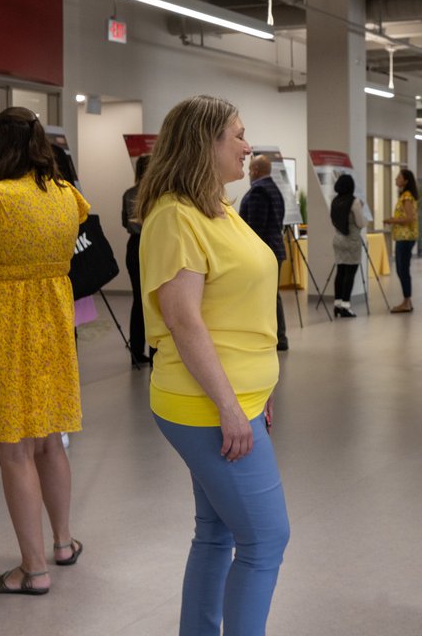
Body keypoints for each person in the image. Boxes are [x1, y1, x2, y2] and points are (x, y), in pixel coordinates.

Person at [137, 94, 289, 636]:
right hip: (205, 403)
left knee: (217, 532)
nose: (249, 146)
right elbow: (185, 322)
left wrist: (257, 389)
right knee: (266, 539)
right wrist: (229, 404)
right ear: (205, 143)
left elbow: (235, 312)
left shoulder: (218, 207)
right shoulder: (175, 217)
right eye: (238, 135)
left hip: (235, 396)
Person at [0, 107, 90, 596]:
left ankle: (32, 569)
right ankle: (63, 543)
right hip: (51, 323)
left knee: (14, 450)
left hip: (5, 325)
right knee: (49, 439)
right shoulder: (68, 197)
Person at [239, 154, 288, 350]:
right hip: (275, 248)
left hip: (264, 252)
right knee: (271, 295)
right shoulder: (274, 189)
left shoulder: (259, 191)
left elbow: (255, 229)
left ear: (256, 171)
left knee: (266, 296)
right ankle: (278, 336)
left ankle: (276, 337)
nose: (249, 174)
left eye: (250, 170)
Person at [122, 155, 152, 365]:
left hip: (134, 245)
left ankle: (136, 351)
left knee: (138, 300)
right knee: (154, 300)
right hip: (152, 245)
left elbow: (125, 221)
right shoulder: (156, 193)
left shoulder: (128, 194)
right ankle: (155, 352)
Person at [382, 168, 419, 313]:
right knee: (402, 269)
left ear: (406, 181)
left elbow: (409, 218)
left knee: (402, 269)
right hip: (403, 237)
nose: (396, 179)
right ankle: (407, 300)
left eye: (399, 177)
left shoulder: (407, 197)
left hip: (405, 237)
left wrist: (392, 220)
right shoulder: (405, 196)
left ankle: (406, 301)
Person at [329, 173, 364, 318]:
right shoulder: (354, 202)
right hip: (352, 240)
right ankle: (346, 305)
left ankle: (337, 304)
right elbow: (360, 223)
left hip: (338, 239)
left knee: (340, 271)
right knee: (350, 273)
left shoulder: (335, 201)